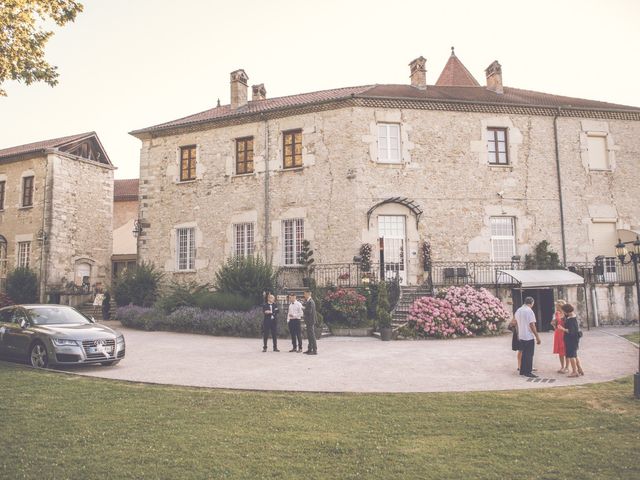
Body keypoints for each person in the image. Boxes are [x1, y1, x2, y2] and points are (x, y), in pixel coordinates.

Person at [514, 296, 541, 378]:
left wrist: (518, 333)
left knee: (524, 353)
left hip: (521, 335)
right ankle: (528, 371)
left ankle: (522, 370)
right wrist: (537, 336)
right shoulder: (529, 311)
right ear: (532, 303)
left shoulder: (519, 310)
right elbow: (532, 324)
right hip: (528, 335)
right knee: (529, 354)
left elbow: (516, 323)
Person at [559, 303, 584, 377]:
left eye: (563, 311)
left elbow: (571, 331)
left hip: (571, 339)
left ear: (567, 311)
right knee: (575, 354)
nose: (563, 312)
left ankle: (574, 371)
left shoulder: (572, 319)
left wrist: (562, 329)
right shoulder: (572, 316)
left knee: (571, 355)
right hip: (573, 339)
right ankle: (579, 368)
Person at [551, 299, 568, 373]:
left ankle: (567, 367)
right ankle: (562, 366)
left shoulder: (566, 314)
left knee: (566, 350)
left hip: (565, 332)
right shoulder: (556, 313)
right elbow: (555, 324)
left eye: (557, 306)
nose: (556, 307)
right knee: (560, 351)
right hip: (558, 333)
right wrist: (553, 323)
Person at [302, 289, 317, 355]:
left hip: (310, 321)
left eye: (305, 294)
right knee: (309, 335)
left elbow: (309, 311)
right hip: (309, 321)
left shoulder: (310, 302)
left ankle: (314, 350)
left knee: (312, 335)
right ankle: (310, 349)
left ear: (308, 294)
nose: (304, 295)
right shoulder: (309, 301)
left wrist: (303, 309)